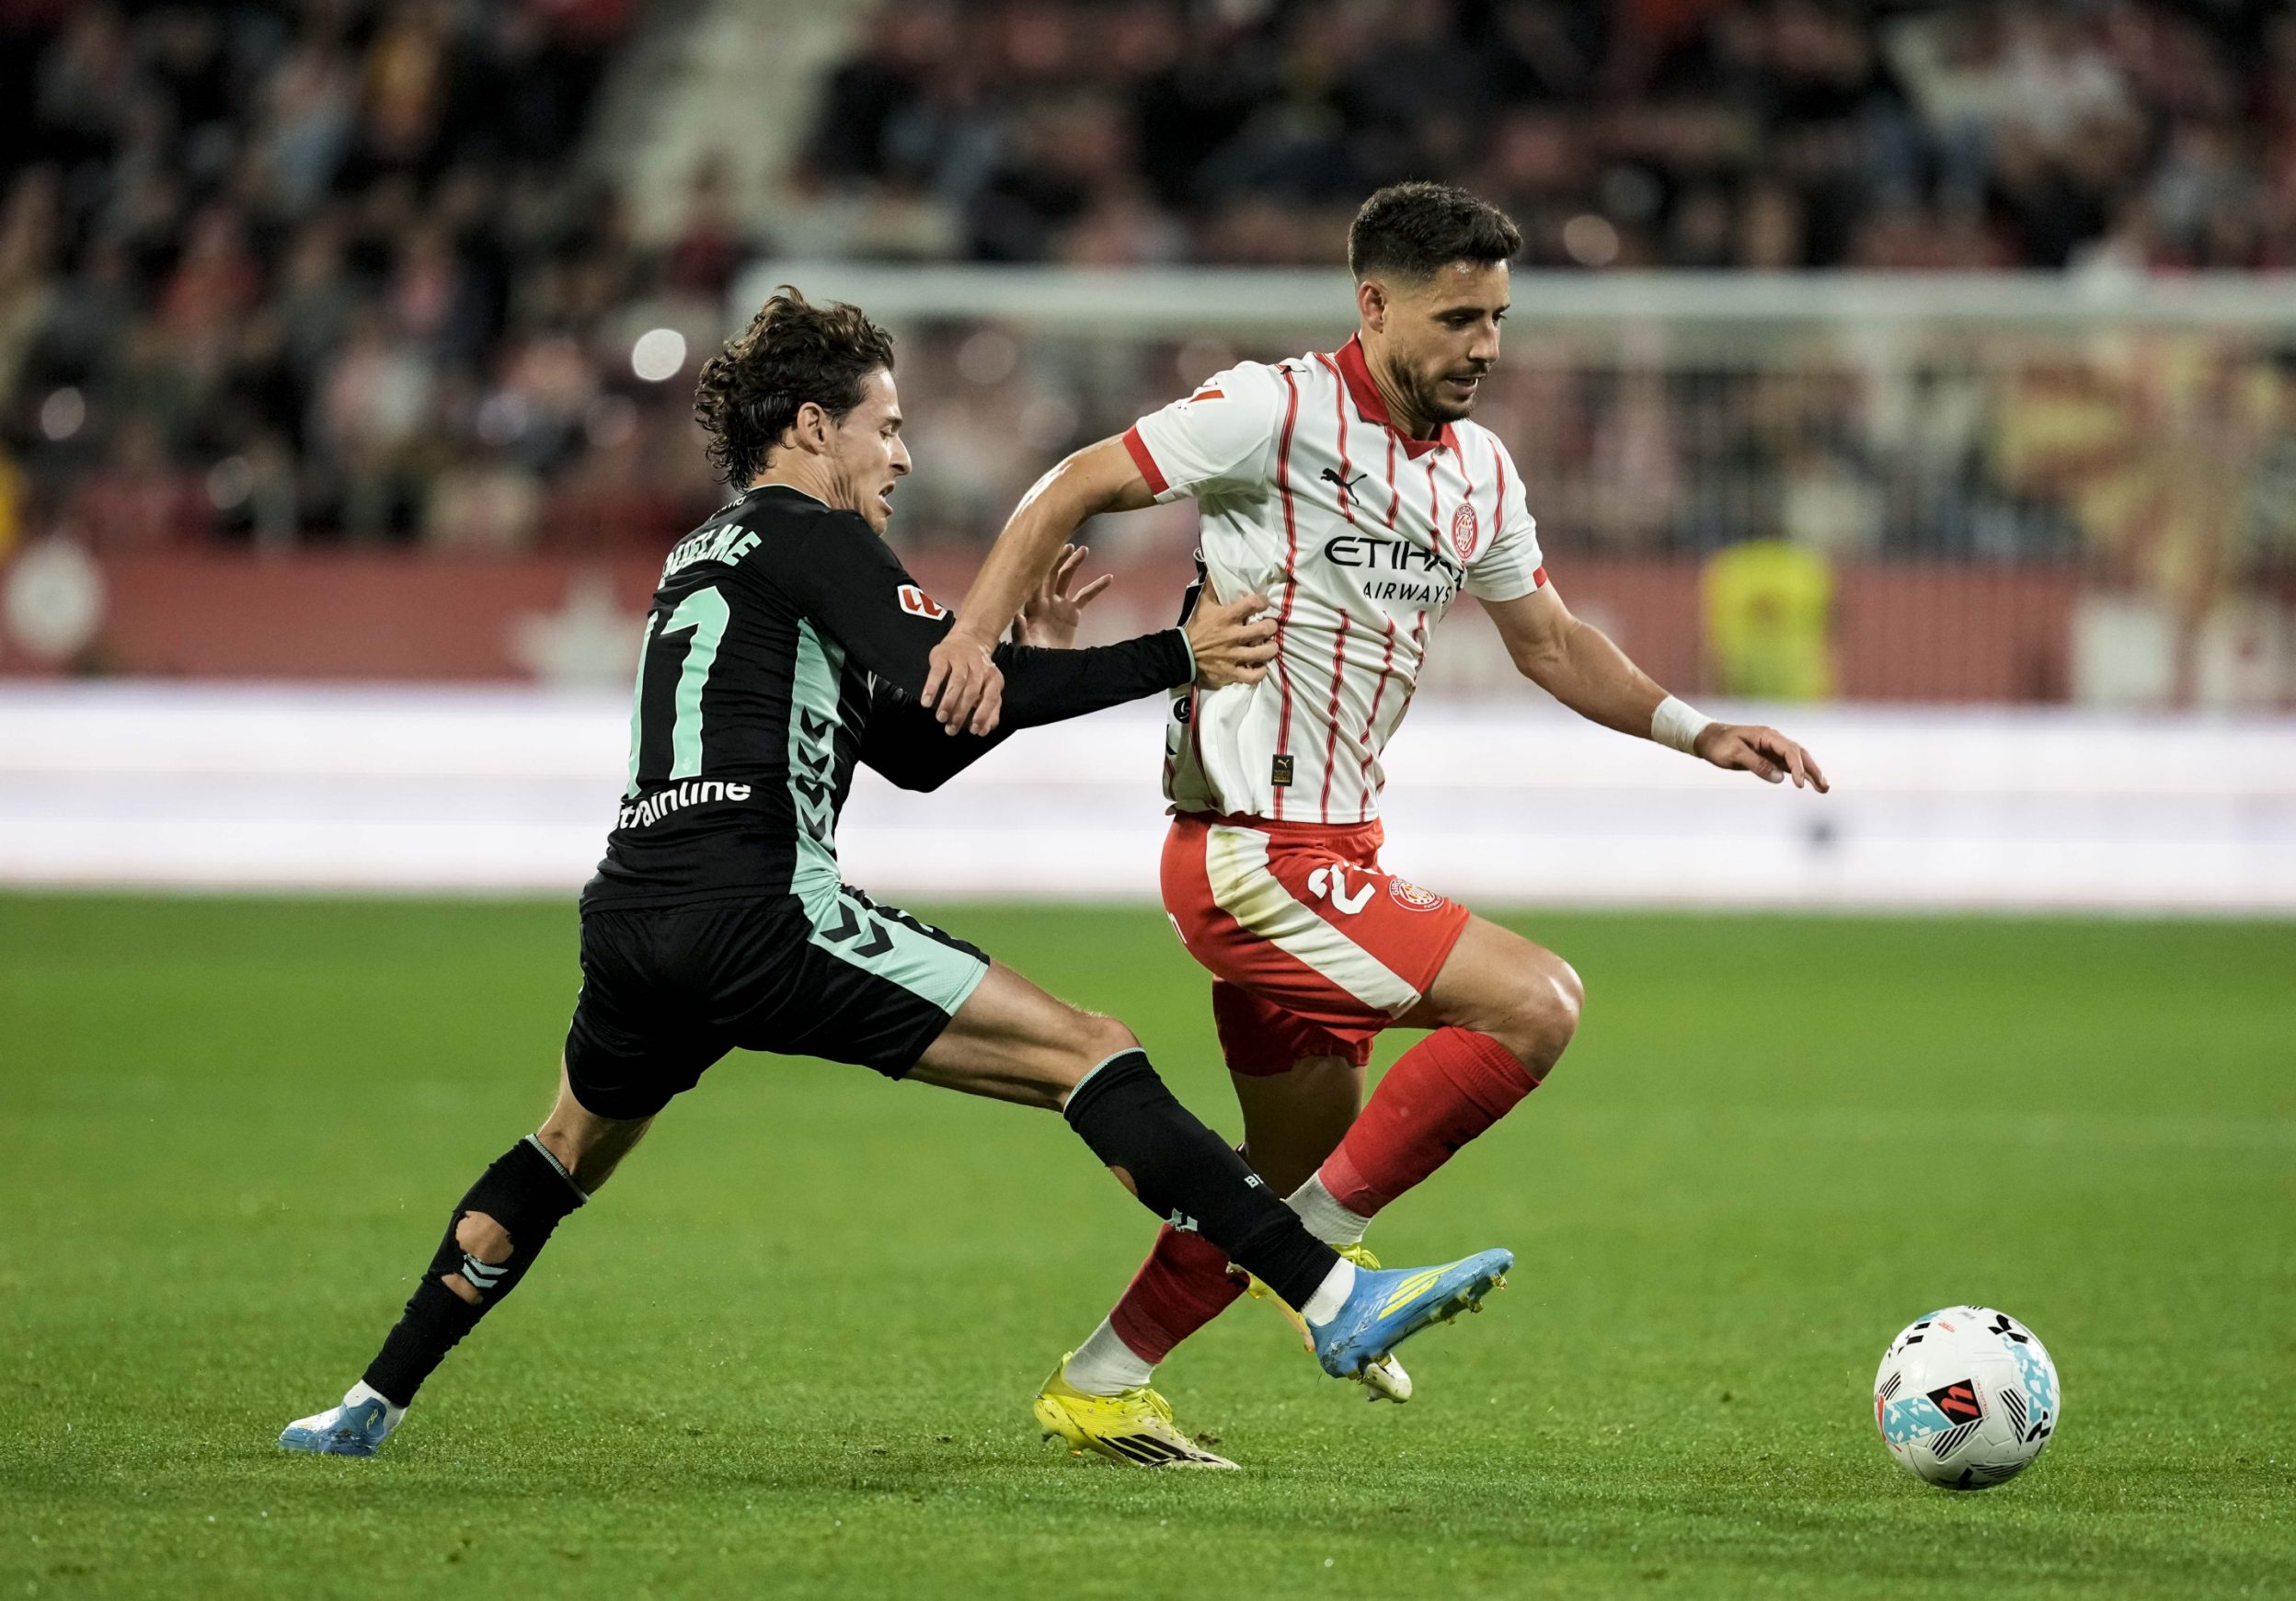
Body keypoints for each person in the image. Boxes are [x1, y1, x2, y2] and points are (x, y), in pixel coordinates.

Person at [277, 287, 1512, 1464]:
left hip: (632, 920)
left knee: (561, 1150)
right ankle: (1330, 1291)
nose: (903, 457)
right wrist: (1174, 656)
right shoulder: (811, 533)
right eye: (888, 426)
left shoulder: (708, 555)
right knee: (1088, 1047)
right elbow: (945, 669)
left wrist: (1030, 660)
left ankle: (370, 1396)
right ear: (813, 427)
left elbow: (919, 748)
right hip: (760, 910)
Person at [922, 184, 1830, 1466]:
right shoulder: (1272, 408)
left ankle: (1105, 1378)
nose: (1485, 346)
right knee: (1537, 1003)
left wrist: (1699, 729)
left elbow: (1553, 644)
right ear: (1375, 304)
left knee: (1276, 1175)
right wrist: (974, 632)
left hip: (1338, 855)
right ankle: (1332, 1281)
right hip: (1249, 853)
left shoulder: (1479, 474)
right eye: (1458, 317)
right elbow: (1071, 485)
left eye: (1498, 318)